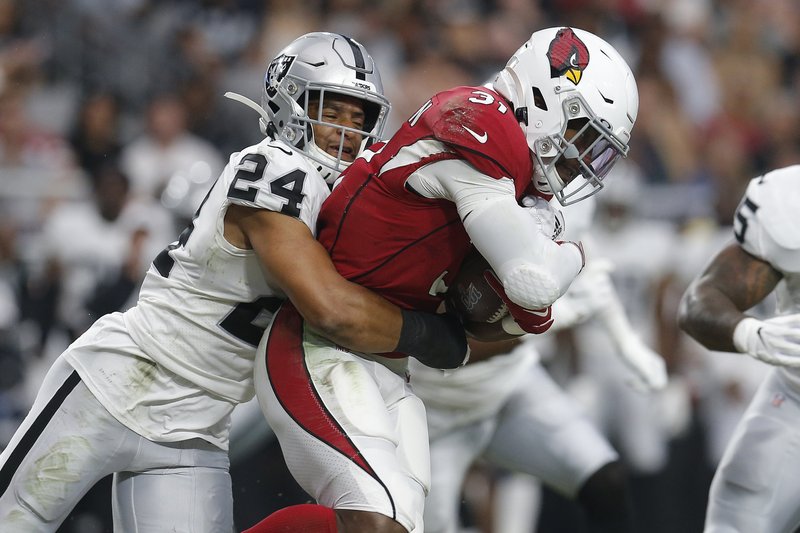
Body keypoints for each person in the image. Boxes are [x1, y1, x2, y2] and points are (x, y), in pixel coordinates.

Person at [0, 32, 469, 533]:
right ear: (289, 99)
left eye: (360, 117)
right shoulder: (271, 167)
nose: (346, 131)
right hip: (116, 384)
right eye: (332, 108)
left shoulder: (344, 198)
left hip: (197, 428)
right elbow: (330, 307)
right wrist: (426, 335)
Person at [246, 26, 639, 533]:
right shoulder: (479, 118)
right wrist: (576, 255)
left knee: (396, 529)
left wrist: (520, 307)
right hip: (320, 344)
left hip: (387, 362)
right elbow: (533, 282)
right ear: (546, 97)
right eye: (582, 137)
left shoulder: (519, 187)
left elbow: (502, 323)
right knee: (376, 522)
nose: (580, 160)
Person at [678, 164, 800, 533]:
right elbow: (702, 302)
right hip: (796, 400)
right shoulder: (789, 201)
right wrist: (748, 333)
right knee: (737, 517)